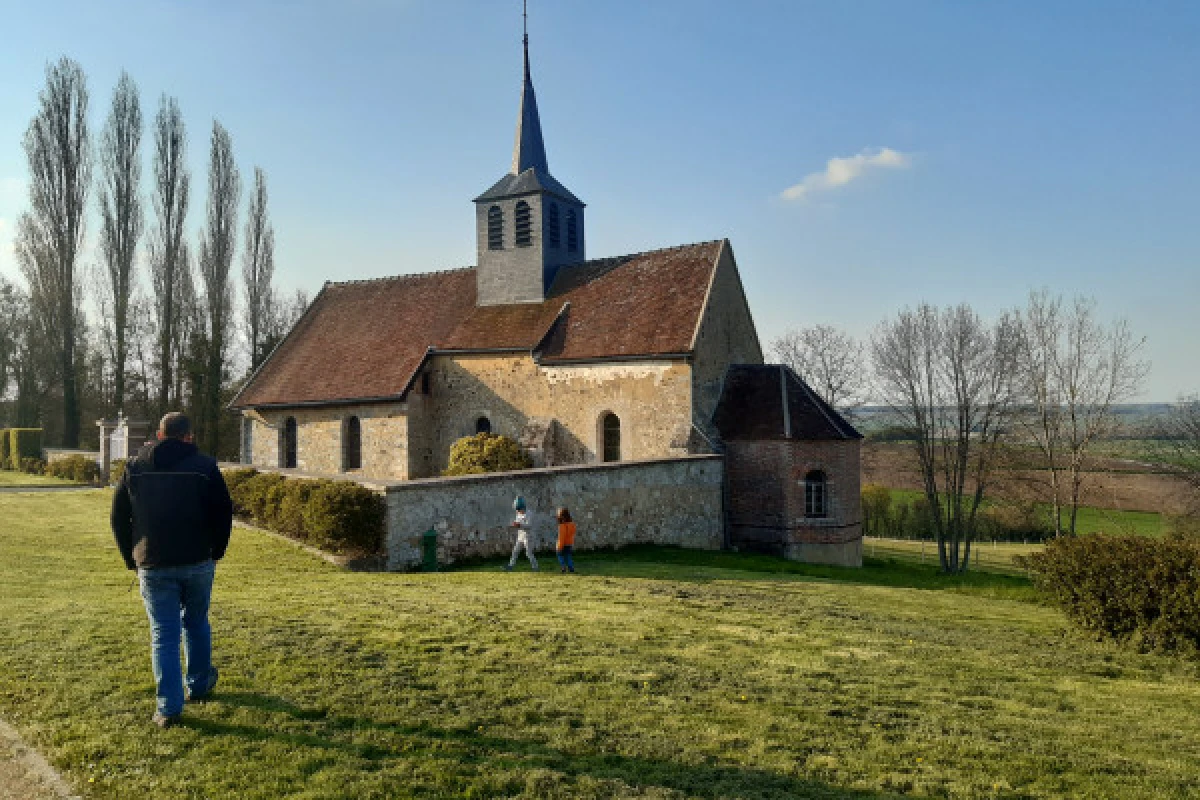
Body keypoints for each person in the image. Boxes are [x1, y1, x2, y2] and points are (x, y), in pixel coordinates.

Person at [111, 412, 234, 729]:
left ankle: (168, 708)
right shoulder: (205, 466)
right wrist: (217, 550)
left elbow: (118, 516)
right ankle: (199, 683)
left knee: (163, 635)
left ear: (160, 434)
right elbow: (223, 512)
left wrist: (130, 558)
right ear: (189, 436)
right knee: (196, 623)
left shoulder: (136, 466)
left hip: (152, 562)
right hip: (197, 561)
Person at [504, 495, 538, 571]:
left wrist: (519, 525)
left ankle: (535, 567)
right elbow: (517, 523)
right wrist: (513, 525)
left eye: (518, 509)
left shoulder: (529, 514)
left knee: (528, 553)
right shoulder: (518, 514)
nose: (518, 511)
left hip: (528, 536)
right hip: (521, 535)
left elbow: (529, 525)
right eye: (517, 510)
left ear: (522, 507)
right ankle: (510, 565)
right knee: (515, 551)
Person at [555, 507, 576, 573]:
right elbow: (573, 533)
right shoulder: (572, 524)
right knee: (568, 556)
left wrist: (559, 546)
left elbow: (561, 537)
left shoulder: (561, 526)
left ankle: (563, 566)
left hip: (562, 544)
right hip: (569, 543)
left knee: (560, 555)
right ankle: (571, 567)